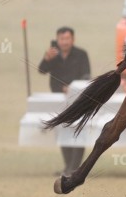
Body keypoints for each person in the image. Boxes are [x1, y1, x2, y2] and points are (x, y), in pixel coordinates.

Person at [38, 26, 91, 175]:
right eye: (61, 39)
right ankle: (68, 167)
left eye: (67, 39)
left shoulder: (81, 54)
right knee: (62, 131)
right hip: (58, 99)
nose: (64, 42)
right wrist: (46, 59)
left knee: (77, 130)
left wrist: (72, 87)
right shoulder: (53, 55)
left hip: (77, 100)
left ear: (73, 39)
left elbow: (87, 75)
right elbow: (41, 70)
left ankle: (74, 168)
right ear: (57, 40)